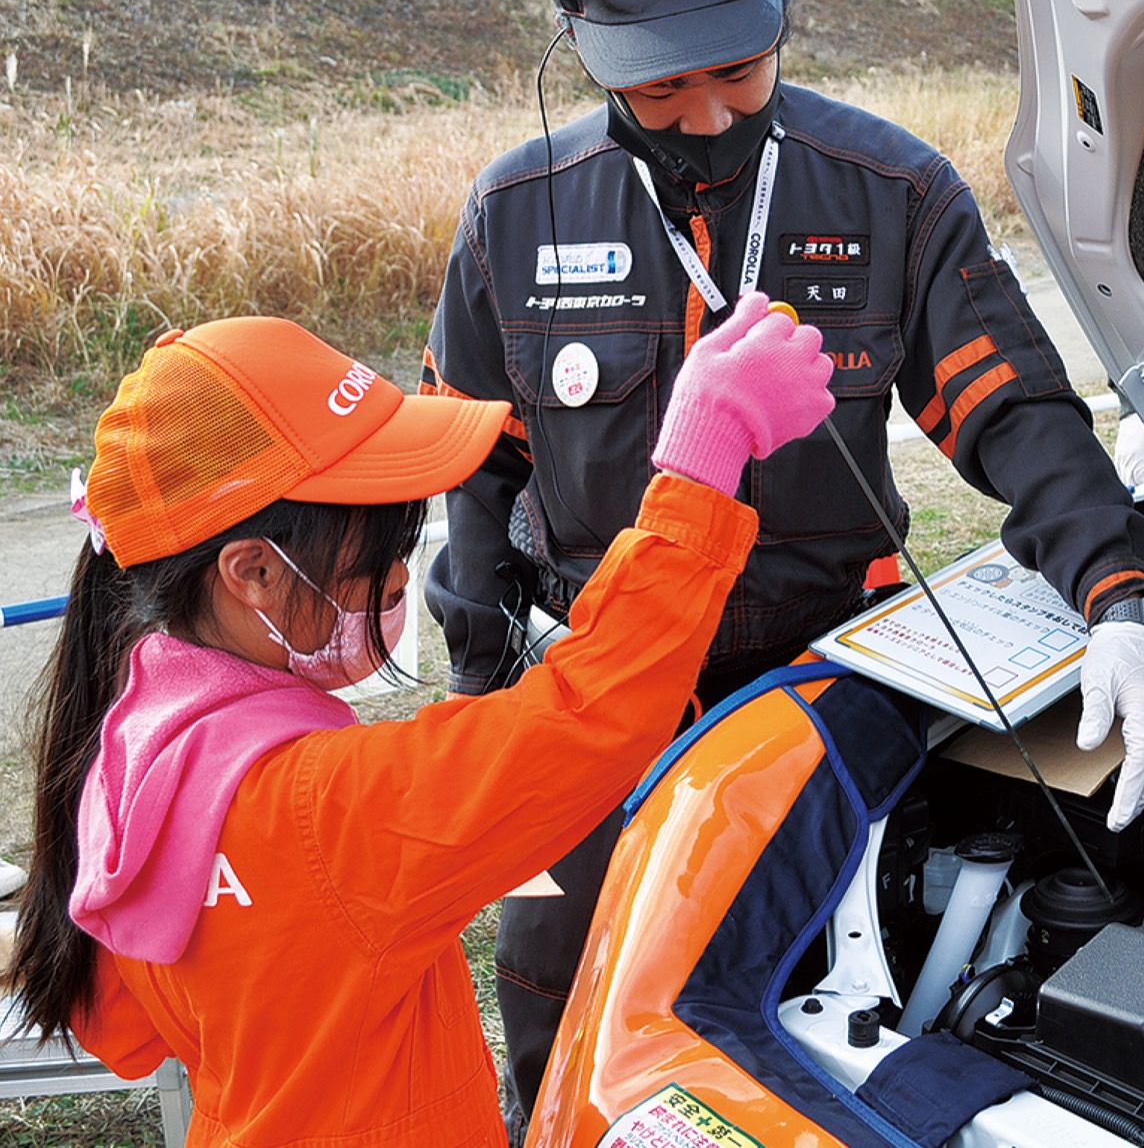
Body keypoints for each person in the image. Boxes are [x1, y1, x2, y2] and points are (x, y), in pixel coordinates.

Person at [419, 0, 1144, 1143]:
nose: (709, 114)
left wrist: (1120, 600)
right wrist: (488, 688)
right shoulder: (514, 216)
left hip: (808, 688)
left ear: (783, 8)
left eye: (737, 67)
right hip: (586, 697)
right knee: (565, 992)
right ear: (582, 45)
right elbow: (471, 470)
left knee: (813, 1005)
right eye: (660, 84)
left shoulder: (892, 194)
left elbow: (1014, 417)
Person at [5, 304, 833, 1146]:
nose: (402, 574)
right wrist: (703, 457)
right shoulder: (323, 808)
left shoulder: (135, 750)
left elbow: (128, 1029)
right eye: (374, 549)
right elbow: (589, 715)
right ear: (252, 571)